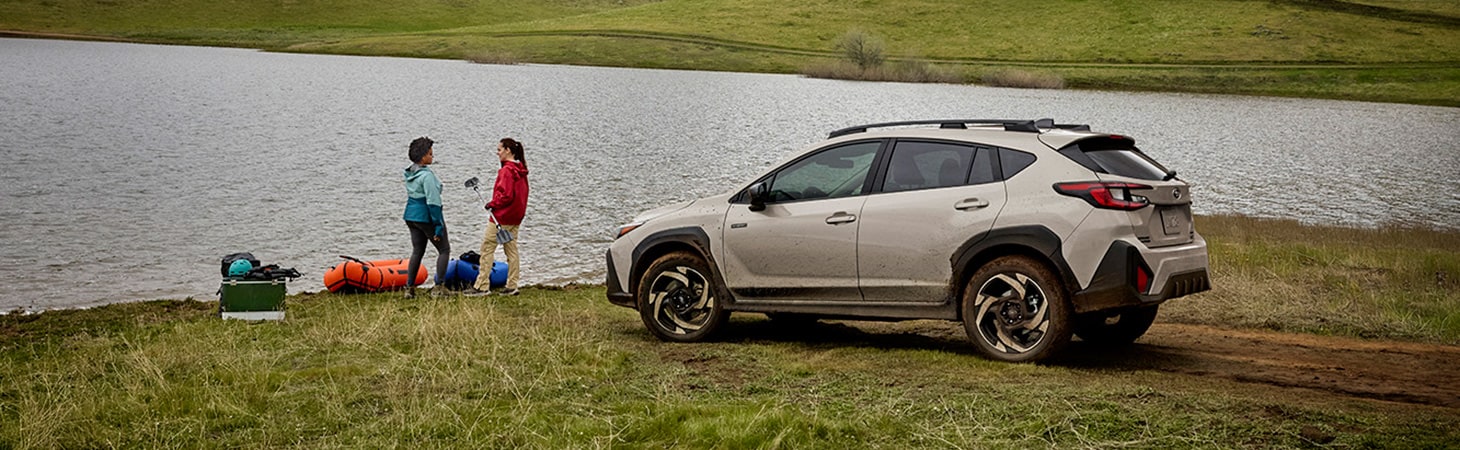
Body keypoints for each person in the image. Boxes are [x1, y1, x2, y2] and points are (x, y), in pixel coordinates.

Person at [465, 138, 529, 296]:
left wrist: (492, 204)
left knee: (487, 249)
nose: (497, 152)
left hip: (502, 217)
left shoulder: (506, 171)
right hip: (516, 217)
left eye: (499, 149)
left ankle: (481, 286)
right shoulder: (520, 169)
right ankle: (512, 285)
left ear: (508, 150)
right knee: (511, 250)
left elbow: (506, 195)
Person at [402, 136, 451, 298]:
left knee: (417, 250)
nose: (433, 156)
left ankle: (409, 288)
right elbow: (433, 202)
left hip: (411, 216)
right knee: (444, 249)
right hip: (426, 216)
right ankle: (440, 287)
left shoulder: (410, 173)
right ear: (423, 157)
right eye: (430, 154)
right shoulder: (427, 176)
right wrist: (437, 225)